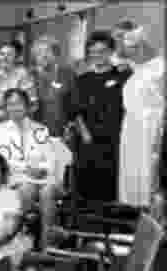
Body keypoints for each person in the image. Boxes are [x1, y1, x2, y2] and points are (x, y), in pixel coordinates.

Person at [0, 88, 60, 250]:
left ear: (27, 106)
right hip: (14, 176)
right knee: (27, 187)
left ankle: (46, 244)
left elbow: (50, 159)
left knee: (48, 190)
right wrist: (26, 168)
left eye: (19, 103)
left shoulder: (39, 129)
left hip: (41, 176)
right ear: (5, 108)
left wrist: (41, 169)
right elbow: (0, 160)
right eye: (10, 104)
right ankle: (13, 238)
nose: (15, 108)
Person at [71, 31, 132, 203]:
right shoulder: (82, 79)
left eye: (102, 51)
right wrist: (85, 134)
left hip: (115, 140)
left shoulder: (123, 76)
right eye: (93, 51)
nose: (98, 55)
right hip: (87, 140)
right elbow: (75, 111)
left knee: (110, 186)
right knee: (86, 186)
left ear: (111, 51)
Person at [118, 22, 164, 208]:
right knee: (134, 175)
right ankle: (138, 214)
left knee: (150, 174)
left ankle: (153, 214)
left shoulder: (160, 67)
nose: (132, 53)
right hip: (132, 127)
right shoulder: (135, 68)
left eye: (136, 48)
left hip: (151, 126)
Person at [30, 35, 77, 139]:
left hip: (63, 133)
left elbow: (75, 104)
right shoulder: (30, 76)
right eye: (39, 52)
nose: (43, 55)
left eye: (47, 51)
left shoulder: (67, 73)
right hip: (37, 133)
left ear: (56, 54)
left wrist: (71, 126)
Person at [0, 41, 36, 122]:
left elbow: (32, 105)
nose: (5, 57)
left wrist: (7, 115)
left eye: (9, 55)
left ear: (16, 58)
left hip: (17, 124)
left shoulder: (24, 75)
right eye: (2, 54)